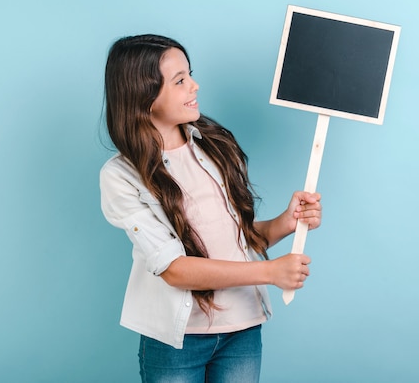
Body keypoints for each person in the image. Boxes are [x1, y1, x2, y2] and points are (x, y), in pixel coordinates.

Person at [99, 34, 322, 382]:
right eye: (180, 80)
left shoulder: (214, 147)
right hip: (177, 341)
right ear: (144, 96)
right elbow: (173, 269)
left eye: (190, 75)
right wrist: (270, 273)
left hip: (243, 330)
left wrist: (285, 222)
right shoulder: (121, 176)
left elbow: (240, 241)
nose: (195, 85)